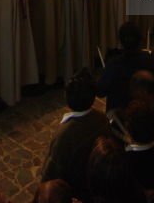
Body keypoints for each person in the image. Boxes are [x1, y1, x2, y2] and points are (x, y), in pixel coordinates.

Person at [40, 70, 112, 200]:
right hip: (95, 180)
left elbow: (50, 174)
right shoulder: (102, 118)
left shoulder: (64, 135)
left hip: (75, 187)